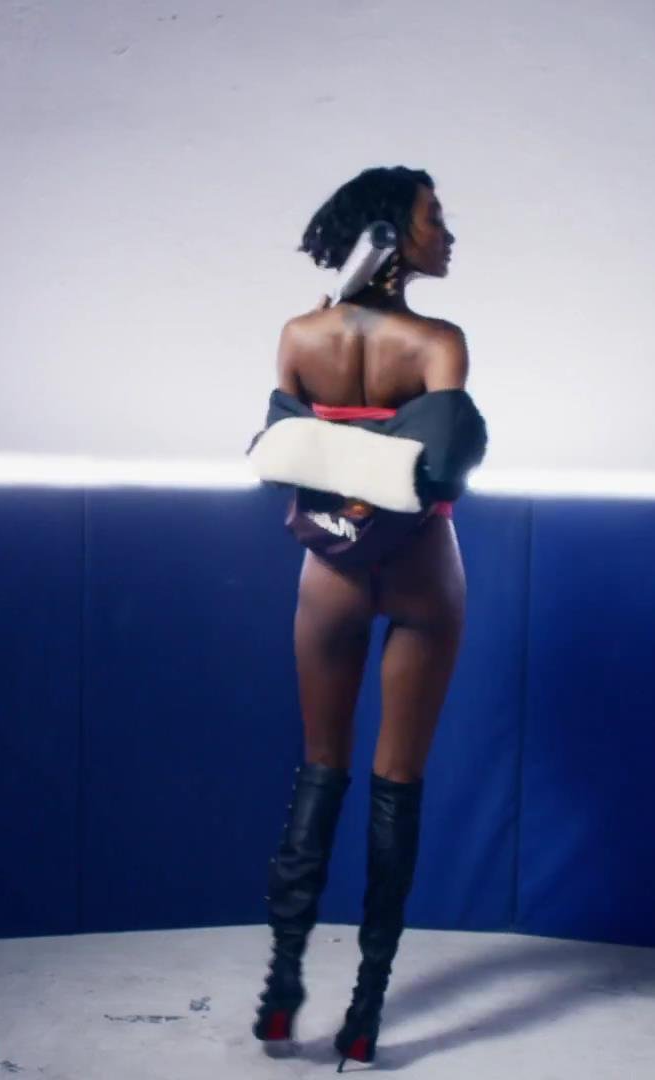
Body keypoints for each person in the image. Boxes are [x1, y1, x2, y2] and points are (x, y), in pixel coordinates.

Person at [247, 166, 479, 1069]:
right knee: (397, 784)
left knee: (320, 768)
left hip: (330, 572)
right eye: (434, 218)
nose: (448, 234)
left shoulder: (299, 335)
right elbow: (442, 467)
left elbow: (283, 452)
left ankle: (281, 991)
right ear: (389, 235)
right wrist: (393, 453)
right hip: (422, 571)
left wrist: (341, 453)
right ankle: (365, 1011)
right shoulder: (440, 342)